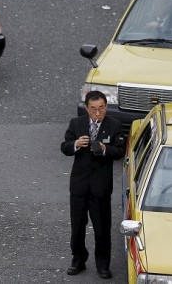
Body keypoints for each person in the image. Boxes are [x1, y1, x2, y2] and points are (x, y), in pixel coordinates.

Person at [60, 90, 124, 279]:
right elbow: (64, 147)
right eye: (94, 109)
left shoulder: (114, 125)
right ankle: (78, 258)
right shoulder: (76, 124)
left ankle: (103, 264)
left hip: (100, 187)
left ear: (106, 107)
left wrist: (104, 149)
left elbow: (120, 151)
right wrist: (76, 144)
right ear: (87, 109)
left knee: (102, 227)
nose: (98, 113)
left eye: (101, 109)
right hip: (79, 185)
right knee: (77, 226)